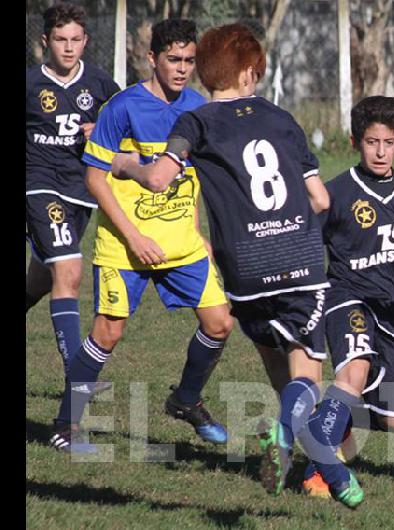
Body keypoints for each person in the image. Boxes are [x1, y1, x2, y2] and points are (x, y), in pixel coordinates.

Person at [107, 24, 365, 508]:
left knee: (275, 360)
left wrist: (126, 166)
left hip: (245, 270)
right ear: (250, 73)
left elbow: (160, 178)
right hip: (301, 264)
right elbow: (320, 197)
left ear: (204, 73)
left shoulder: (196, 122)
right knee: (306, 377)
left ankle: (307, 462)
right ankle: (294, 444)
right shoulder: (284, 119)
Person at [50, 19, 234, 454]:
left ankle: (186, 399)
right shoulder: (122, 107)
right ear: (152, 58)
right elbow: (95, 179)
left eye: (189, 60)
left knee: (220, 322)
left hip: (179, 242)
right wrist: (132, 238)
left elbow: (193, 178)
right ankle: (65, 426)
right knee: (107, 333)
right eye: (173, 59)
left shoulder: (197, 108)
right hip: (124, 246)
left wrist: (195, 231)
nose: (182, 68)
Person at [299, 96, 394, 502]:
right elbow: (308, 242)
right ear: (355, 141)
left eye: (388, 142)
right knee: (353, 374)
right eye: (372, 142)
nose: (380, 151)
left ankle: (330, 418)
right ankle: (320, 467)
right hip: (350, 298)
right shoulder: (337, 192)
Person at [26, 2, 119, 386]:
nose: (68, 48)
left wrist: (103, 129)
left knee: (44, 279)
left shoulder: (100, 85)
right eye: (60, 40)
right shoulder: (30, 86)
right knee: (69, 270)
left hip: (82, 193)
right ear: (45, 41)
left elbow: (123, 132)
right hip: (38, 185)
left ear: (86, 40)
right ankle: (78, 376)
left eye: (76, 40)